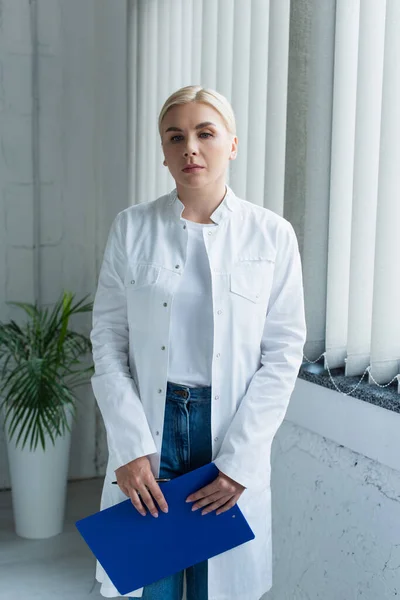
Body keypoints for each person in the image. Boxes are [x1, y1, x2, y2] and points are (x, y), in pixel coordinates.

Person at [90, 85, 307, 600]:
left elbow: (282, 354)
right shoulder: (132, 229)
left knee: (219, 589)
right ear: (163, 154)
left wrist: (241, 461)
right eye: (176, 136)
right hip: (150, 429)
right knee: (150, 587)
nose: (191, 147)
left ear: (231, 143)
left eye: (205, 133)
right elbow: (107, 340)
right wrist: (129, 445)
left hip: (229, 430)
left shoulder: (272, 236)